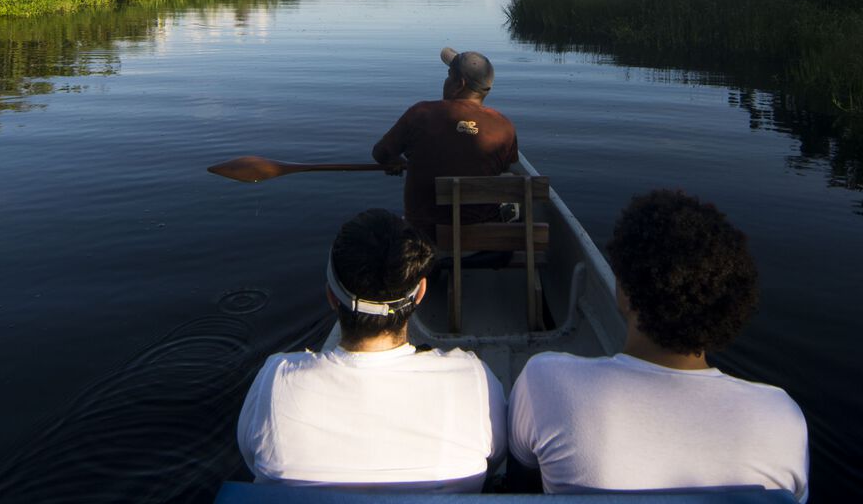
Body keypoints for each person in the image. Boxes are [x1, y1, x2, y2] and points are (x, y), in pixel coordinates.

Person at [509, 190, 809, 500]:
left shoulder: (545, 381)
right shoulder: (782, 417)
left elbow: (519, 490)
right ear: (728, 304)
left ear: (625, 292)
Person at [236, 208, 507, 491]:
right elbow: (497, 458)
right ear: (421, 293)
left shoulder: (276, 381)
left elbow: (252, 460)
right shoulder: (473, 380)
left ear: (331, 296)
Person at [372, 47, 519, 236]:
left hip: (425, 241)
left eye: (449, 75)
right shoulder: (504, 126)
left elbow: (380, 154)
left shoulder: (421, 114)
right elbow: (505, 170)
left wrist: (395, 161)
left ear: (459, 84)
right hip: (482, 242)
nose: (445, 81)